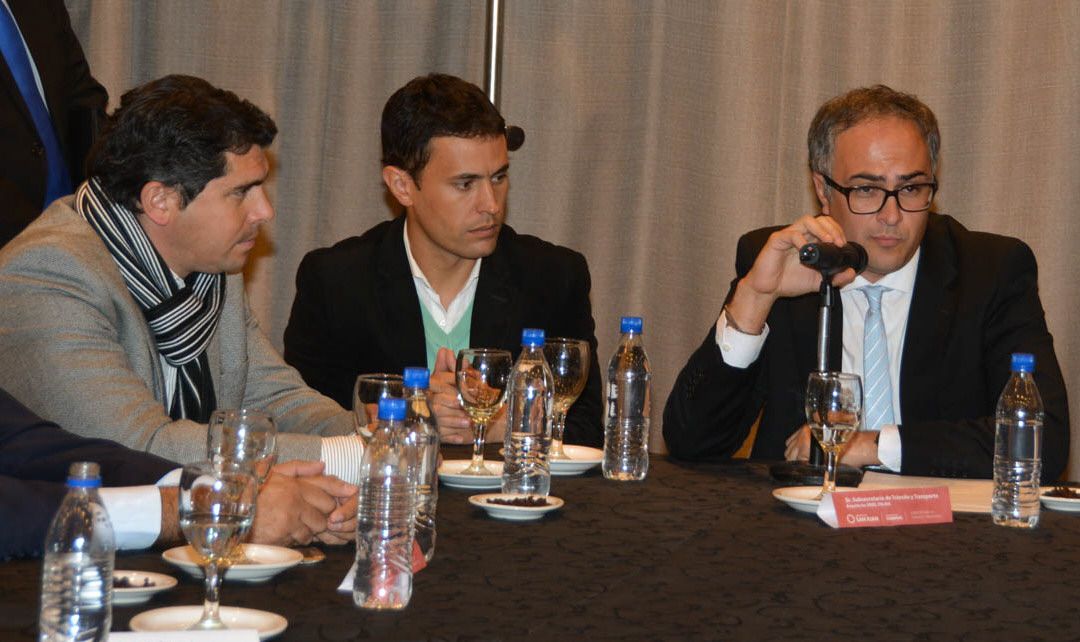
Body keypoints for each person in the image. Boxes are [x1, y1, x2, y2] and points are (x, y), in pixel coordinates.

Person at [663, 85, 1069, 481]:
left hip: (943, 522)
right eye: (867, 189)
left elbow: (1041, 440)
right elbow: (692, 443)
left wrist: (869, 446)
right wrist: (755, 297)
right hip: (800, 522)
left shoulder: (991, 272)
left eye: (911, 188)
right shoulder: (786, 261)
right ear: (823, 190)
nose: (891, 216)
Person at [0, 75, 363, 482]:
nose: (265, 211)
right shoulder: (50, 274)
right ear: (160, 201)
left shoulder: (211, 268)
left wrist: (375, 438)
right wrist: (347, 456)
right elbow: (136, 448)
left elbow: (276, 398)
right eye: (241, 192)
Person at [284, 73, 603, 447]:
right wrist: (410, 415)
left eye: (499, 177)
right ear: (402, 186)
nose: (491, 204)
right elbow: (307, 430)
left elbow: (587, 433)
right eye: (465, 184)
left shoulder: (553, 278)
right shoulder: (336, 283)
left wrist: (500, 425)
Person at [0, 387, 356, 560]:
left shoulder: (217, 289)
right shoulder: (60, 270)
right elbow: (144, 436)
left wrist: (220, 487)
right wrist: (204, 509)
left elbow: (32, 444)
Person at [0, 0, 107, 247]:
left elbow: (83, 98)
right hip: (17, 241)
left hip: (75, 218)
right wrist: (46, 237)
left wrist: (100, 199)